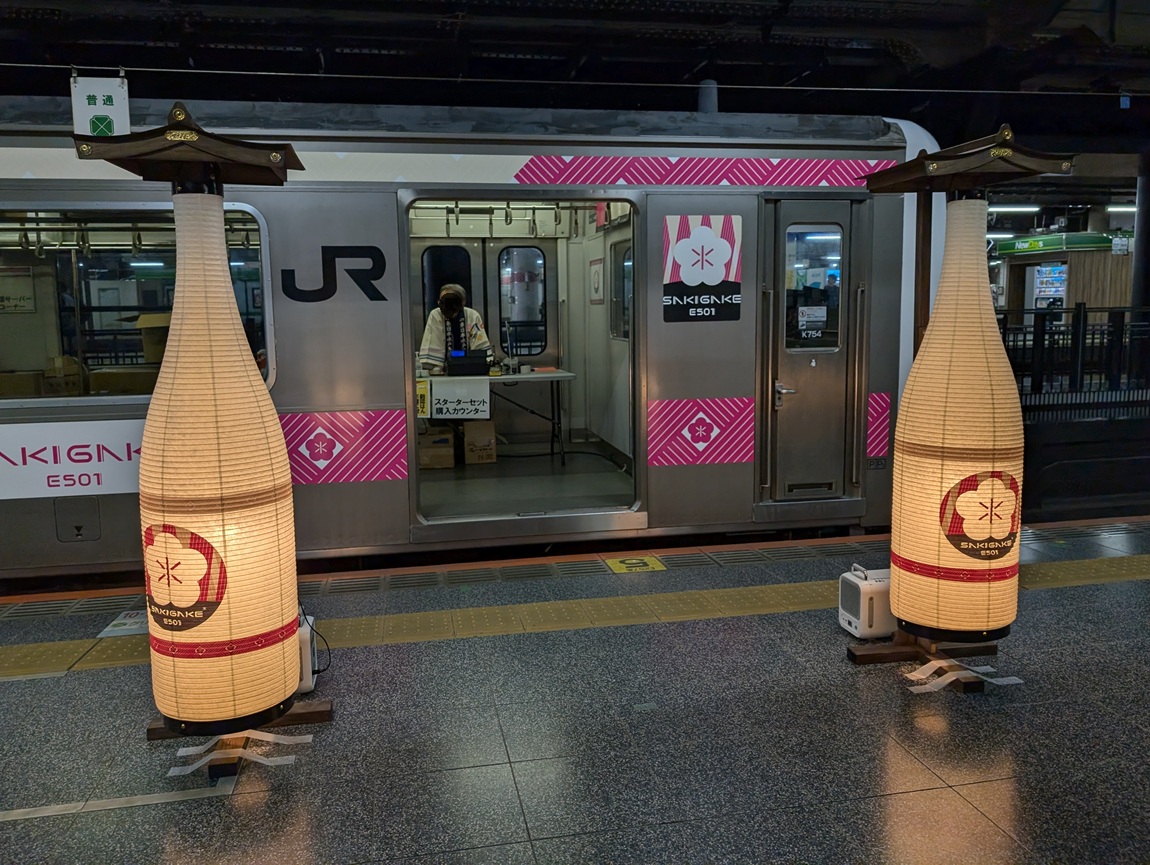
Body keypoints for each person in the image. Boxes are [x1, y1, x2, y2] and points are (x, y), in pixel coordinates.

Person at [417, 284, 494, 375]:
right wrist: (436, 368)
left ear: (462, 302)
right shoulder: (436, 315)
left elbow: (480, 350)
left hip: (471, 372)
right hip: (443, 373)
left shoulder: (472, 315)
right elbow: (434, 341)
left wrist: (478, 363)